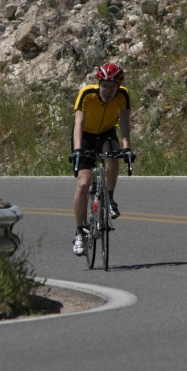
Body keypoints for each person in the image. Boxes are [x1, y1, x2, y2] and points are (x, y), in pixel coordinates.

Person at [68, 63, 135, 256]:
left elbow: (124, 123)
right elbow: (78, 123)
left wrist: (127, 148)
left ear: (119, 86)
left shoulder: (122, 95)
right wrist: (78, 150)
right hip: (85, 136)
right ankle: (79, 233)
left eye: (113, 87)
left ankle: (110, 199)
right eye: (105, 85)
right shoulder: (87, 94)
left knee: (114, 154)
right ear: (98, 83)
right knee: (83, 184)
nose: (108, 90)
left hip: (106, 132)